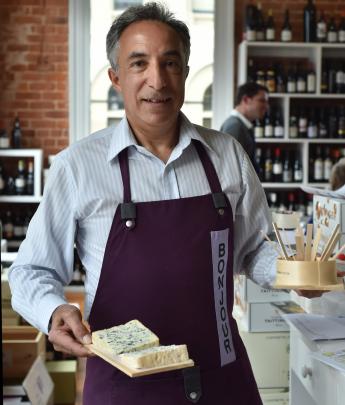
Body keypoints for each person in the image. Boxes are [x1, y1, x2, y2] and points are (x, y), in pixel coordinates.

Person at [9, 3, 278, 404]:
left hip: (223, 381)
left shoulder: (228, 155)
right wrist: (53, 311)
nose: (157, 79)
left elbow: (254, 249)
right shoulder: (78, 167)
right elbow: (32, 270)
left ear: (185, 72)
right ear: (116, 77)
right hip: (122, 388)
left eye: (170, 62)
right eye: (139, 63)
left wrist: (296, 273)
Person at [220, 82, 269, 172]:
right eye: (262, 101)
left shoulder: (240, 125)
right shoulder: (235, 126)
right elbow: (230, 168)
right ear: (246, 100)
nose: (266, 106)